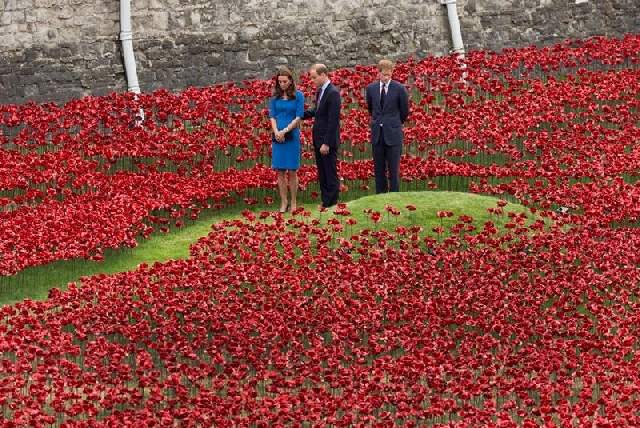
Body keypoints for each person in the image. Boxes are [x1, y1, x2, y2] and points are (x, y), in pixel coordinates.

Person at [365, 59, 410, 193]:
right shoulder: (371, 89)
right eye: (384, 75)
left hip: (393, 135)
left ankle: (394, 196)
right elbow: (371, 108)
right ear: (378, 73)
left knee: (394, 170)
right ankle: (380, 196)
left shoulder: (399, 89)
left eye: (389, 75)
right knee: (379, 169)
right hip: (377, 135)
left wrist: (393, 123)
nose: (386, 77)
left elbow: (404, 111)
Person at [303, 63, 341, 208]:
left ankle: (331, 202)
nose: (312, 80)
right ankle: (326, 201)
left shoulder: (333, 93)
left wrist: (327, 143)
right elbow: (317, 111)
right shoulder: (321, 91)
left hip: (326, 141)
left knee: (329, 172)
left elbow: (333, 120)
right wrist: (301, 114)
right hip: (318, 139)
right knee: (322, 172)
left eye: (314, 77)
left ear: (323, 75)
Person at [268, 67, 305, 213]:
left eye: (284, 81)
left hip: (291, 135)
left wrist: (285, 130)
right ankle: (284, 202)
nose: (282, 84)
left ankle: (294, 201)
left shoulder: (298, 96)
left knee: (292, 170)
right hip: (278, 136)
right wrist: (276, 131)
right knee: (280, 171)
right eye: (279, 82)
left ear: (290, 81)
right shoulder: (274, 98)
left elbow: (299, 116)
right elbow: (272, 116)